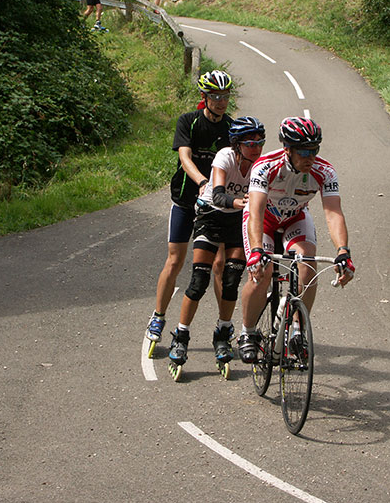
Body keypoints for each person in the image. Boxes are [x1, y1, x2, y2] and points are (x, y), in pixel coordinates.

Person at [237, 117, 356, 363]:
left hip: (295, 219)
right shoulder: (265, 167)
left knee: (307, 267)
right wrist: (257, 250)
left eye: (314, 150)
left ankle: (298, 330)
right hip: (264, 220)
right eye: (303, 151)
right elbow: (256, 211)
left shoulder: (324, 171)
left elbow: (333, 213)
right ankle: (247, 333)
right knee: (263, 271)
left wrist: (343, 251)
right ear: (287, 149)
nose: (309, 157)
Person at [145, 70, 236, 347]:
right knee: (175, 260)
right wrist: (202, 182)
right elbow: (185, 156)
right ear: (204, 97)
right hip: (186, 199)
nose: (221, 102)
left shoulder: (231, 128)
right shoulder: (189, 122)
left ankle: (224, 326)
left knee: (220, 265)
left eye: (225, 96)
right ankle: (158, 317)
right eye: (215, 96)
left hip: (215, 206)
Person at [167, 117, 266, 367]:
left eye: (259, 143)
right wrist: (240, 202)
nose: (256, 149)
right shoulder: (224, 157)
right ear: (236, 144)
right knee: (199, 281)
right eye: (250, 144)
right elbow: (219, 195)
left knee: (231, 281)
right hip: (211, 216)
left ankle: (222, 333)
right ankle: (181, 335)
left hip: (237, 222)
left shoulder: (261, 165)